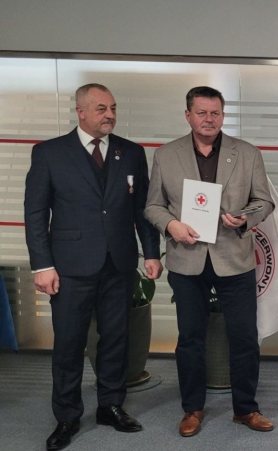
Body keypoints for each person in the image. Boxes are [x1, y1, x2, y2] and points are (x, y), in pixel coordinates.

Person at [25, 83, 162, 451]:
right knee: (69, 343)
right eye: (102, 108)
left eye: (113, 108)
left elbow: (141, 210)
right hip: (69, 267)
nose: (110, 115)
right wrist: (42, 265)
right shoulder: (50, 153)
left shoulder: (130, 152)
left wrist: (151, 253)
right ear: (81, 111)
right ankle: (67, 416)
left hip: (118, 264)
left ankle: (110, 405)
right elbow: (36, 213)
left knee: (116, 339)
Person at [145, 86, 275, 437]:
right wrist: (171, 225)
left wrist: (245, 218)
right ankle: (193, 409)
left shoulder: (246, 153)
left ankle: (246, 409)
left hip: (234, 258)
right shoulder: (166, 155)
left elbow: (263, 201)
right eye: (201, 113)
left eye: (215, 113)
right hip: (187, 260)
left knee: (244, 337)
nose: (209, 119)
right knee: (190, 339)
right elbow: (153, 205)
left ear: (223, 115)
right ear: (188, 115)